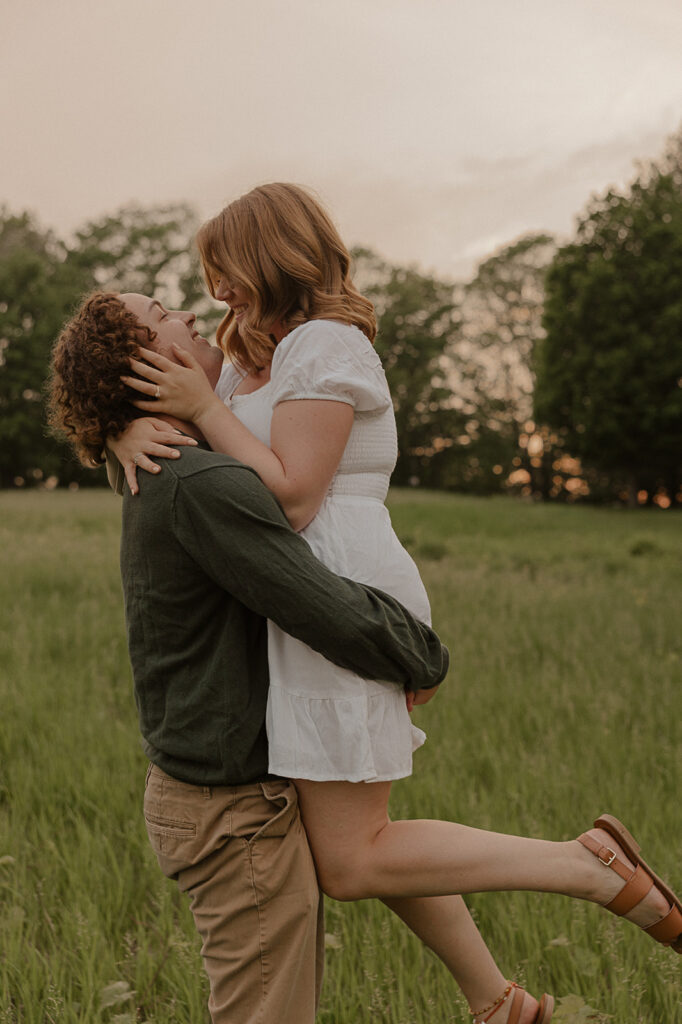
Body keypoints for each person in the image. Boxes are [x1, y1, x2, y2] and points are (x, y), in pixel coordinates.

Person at [108, 185, 682, 1024]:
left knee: (351, 858)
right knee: (359, 840)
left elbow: (296, 498)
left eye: (224, 272)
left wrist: (200, 408)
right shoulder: (246, 359)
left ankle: (587, 868)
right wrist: (118, 429)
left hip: (339, 589)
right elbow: (184, 437)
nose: (216, 294)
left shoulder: (327, 345)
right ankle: (499, 1002)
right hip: (291, 603)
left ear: (272, 256)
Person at [47, 290, 450, 1024]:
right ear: (151, 366)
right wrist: (423, 654)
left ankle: (497, 996)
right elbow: (320, 606)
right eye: (165, 313)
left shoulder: (172, 463)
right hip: (231, 809)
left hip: (210, 795)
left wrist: (117, 432)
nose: (192, 314)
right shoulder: (202, 485)